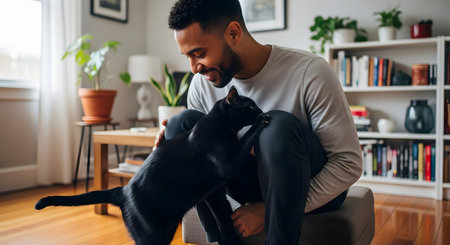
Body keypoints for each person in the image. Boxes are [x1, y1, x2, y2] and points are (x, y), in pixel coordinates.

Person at [154, 0, 363, 244]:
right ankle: (222, 239)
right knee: (183, 124)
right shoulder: (203, 85)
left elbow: (348, 163)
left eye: (199, 53)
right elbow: (203, 164)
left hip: (306, 183)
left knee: (274, 125)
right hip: (247, 183)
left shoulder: (310, 72)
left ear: (233, 33)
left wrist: (268, 210)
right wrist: (172, 147)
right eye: (187, 56)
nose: (193, 68)